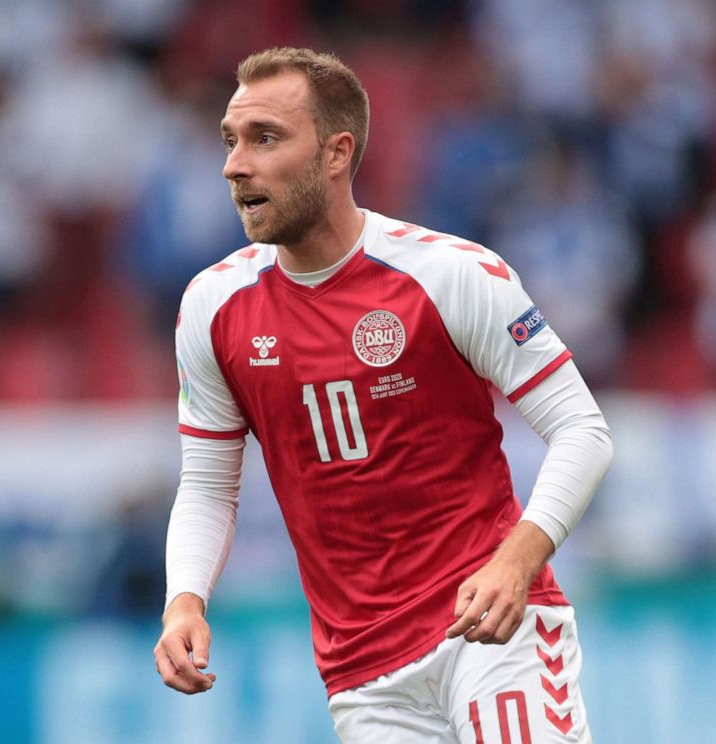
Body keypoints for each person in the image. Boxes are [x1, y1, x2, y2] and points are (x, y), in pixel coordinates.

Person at [154, 47, 613, 744]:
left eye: (265, 138)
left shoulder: (449, 275)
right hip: (363, 676)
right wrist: (184, 601)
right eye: (230, 140)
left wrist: (517, 561)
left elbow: (583, 429)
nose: (234, 165)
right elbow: (210, 484)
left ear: (336, 153)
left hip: (491, 633)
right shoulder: (214, 307)